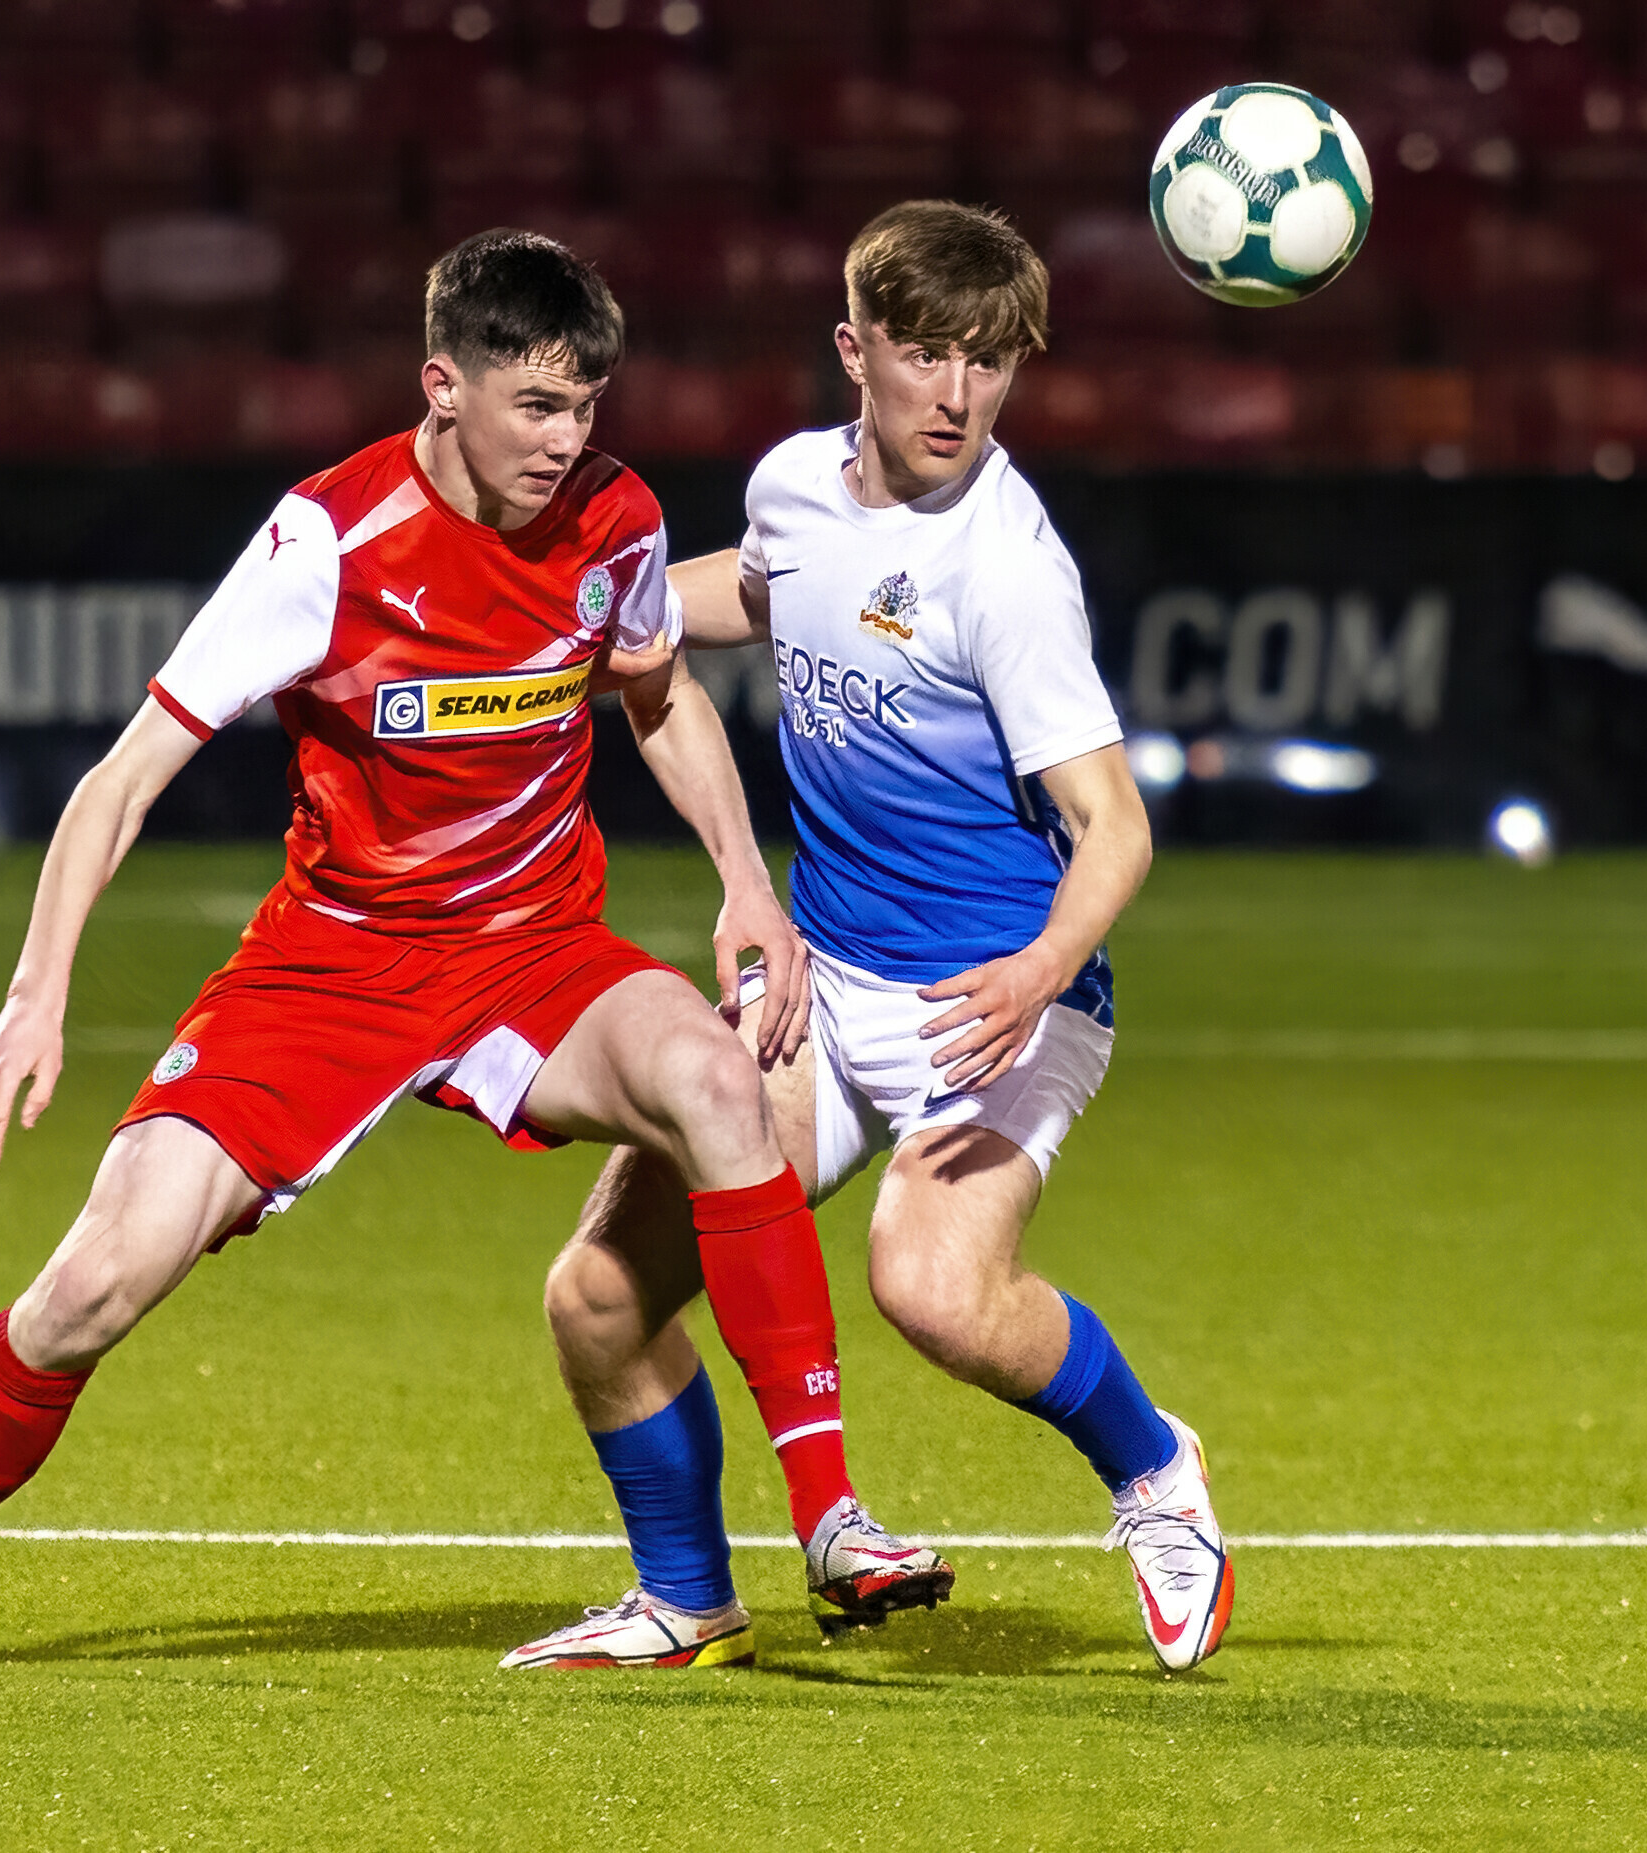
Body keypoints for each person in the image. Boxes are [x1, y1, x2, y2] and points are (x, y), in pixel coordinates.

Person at [0, 229, 938, 1676]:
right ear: (443, 385)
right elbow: (122, 779)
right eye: (535, 407)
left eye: (587, 409)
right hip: (332, 967)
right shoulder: (328, 544)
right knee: (93, 1281)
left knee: (718, 1083)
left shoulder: (613, 521)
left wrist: (746, 879)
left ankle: (816, 1526)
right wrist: (33, 995)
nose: (567, 442)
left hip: (533, 945)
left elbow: (656, 692)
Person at [504, 202, 1232, 1675]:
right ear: (856, 351)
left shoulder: (1005, 572)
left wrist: (1034, 973)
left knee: (934, 1289)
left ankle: (1155, 1469)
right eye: (926, 356)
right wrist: (571, 629)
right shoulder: (795, 489)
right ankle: (687, 1597)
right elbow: (752, 592)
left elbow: (1115, 828)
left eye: (991, 362)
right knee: (596, 1295)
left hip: (996, 998)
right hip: (827, 981)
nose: (958, 396)